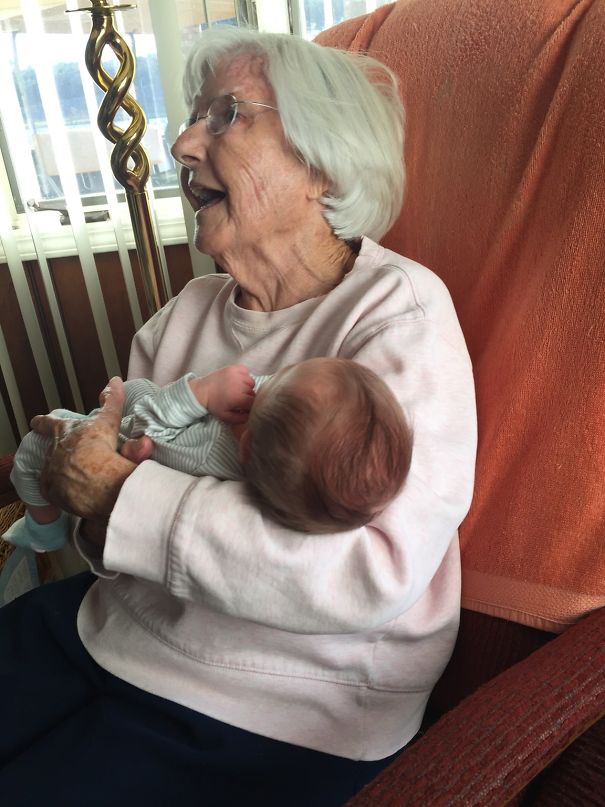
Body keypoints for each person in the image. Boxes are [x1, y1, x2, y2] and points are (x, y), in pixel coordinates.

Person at [0, 26, 477, 807]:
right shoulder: (179, 315)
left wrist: (119, 497)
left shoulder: (398, 314)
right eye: (192, 117)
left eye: (225, 115)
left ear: (321, 164)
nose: (182, 142)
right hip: (110, 628)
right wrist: (81, 495)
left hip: (279, 703)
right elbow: (113, 545)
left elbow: (370, 568)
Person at [3, 357, 412, 552]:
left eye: (273, 384)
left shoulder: (203, 457)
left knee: (34, 447)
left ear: (246, 445)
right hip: (138, 404)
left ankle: (42, 530)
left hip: (114, 433)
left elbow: (146, 435)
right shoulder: (285, 447)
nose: (262, 379)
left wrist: (198, 393)